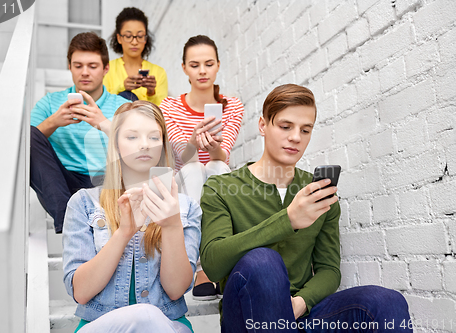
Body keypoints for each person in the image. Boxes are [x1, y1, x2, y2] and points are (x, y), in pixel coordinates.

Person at [200, 84, 413, 332]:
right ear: (262, 126)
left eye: (305, 130)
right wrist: (287, 220)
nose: (296, 138)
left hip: (302, 314)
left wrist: (301, 303)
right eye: (285, 126)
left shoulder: (319, 193)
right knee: (262, 260)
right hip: (246, 315)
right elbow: (213, 264)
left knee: (385, 302)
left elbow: (329, 269)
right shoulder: (222, 187)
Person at [62, 101, 201, 333]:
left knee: (147, 316)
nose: (144, 145)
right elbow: (81, 292)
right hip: (101, 324)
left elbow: (176, 289)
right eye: (132, 137)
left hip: (168, 324)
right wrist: (124, 233)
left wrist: (171, 225)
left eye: (154, 137)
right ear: (115, 144)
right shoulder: (83, 203)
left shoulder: (186, 207)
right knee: (142, 314)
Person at [160, 35, 244, 301]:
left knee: (217, 166)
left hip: (217, 175)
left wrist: (213, 145)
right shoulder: (169, 106)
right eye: (195, 65)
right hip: (185, 175)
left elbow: (223, 154)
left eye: (208, 64)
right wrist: (194, 143)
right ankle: (202, 269)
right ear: (184, 68)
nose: (202, 71)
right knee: (195, 169)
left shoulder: (232, 106)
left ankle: (218, 261)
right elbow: (181, 157)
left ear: (218, 65)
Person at [30, 32, 129, 233]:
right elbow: (23, 145)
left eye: (92, 66)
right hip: (62, 185)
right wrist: (53, 122)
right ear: (69, 67)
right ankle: (68, 220)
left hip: (107, 182)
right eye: (78, 66)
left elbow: (143, 148)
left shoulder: (122, 105)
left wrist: (103, 123)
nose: (85, 72)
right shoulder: (50, 103)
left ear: (105, 68)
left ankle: (76, 223)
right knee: (29, 135)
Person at [103, 7, 168, 105]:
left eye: (140, 36)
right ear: (119, 38)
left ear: (146, 39)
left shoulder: (159, 72)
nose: (134, 42)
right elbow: (101, 104)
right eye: (128, 36)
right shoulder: (107, 69)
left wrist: (151, 93)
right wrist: (122, 87)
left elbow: (163, 112)